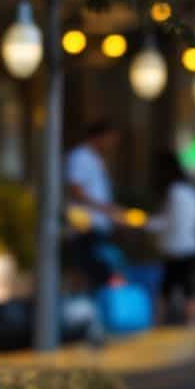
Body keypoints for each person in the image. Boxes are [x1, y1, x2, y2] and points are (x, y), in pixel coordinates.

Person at [145, 150, 195, 325]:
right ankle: (192, 321)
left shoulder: (174, 192)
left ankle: (159, 321)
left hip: (177, 246)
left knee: (170, 285)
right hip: (191, 243)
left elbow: (168, 221)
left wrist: (145, 223)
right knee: (186, 285)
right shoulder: (190, 190)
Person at [63, 118, 126, 288]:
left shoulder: (95, 159)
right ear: (100, 137)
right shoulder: (81, 157)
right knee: (93, 271)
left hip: (97, 224)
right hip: (86, 225)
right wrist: (105, 209)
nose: (112, 145)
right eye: (111, 139)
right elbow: (75, 189)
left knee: (101, 271)